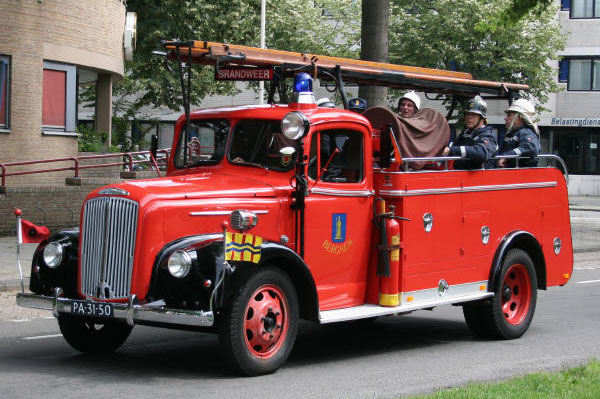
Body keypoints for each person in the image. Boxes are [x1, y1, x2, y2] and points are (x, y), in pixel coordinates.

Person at [442, 96, 497, 170]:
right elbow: (456, 146)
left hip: (479, 177)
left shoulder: (488, 135)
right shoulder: (466, 132)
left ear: (482, 118)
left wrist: (450, 150)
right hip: (460, 173)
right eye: (467, 114)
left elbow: (481, 153)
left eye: (474, 115)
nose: (469, 118)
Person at [497, 98, 541, 168]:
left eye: (509, 115)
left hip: (522, 175)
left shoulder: (526, 133)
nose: (505, 118)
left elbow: (531, 148)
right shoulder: (511, 134)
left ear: (519, 117)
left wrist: (507, 156)